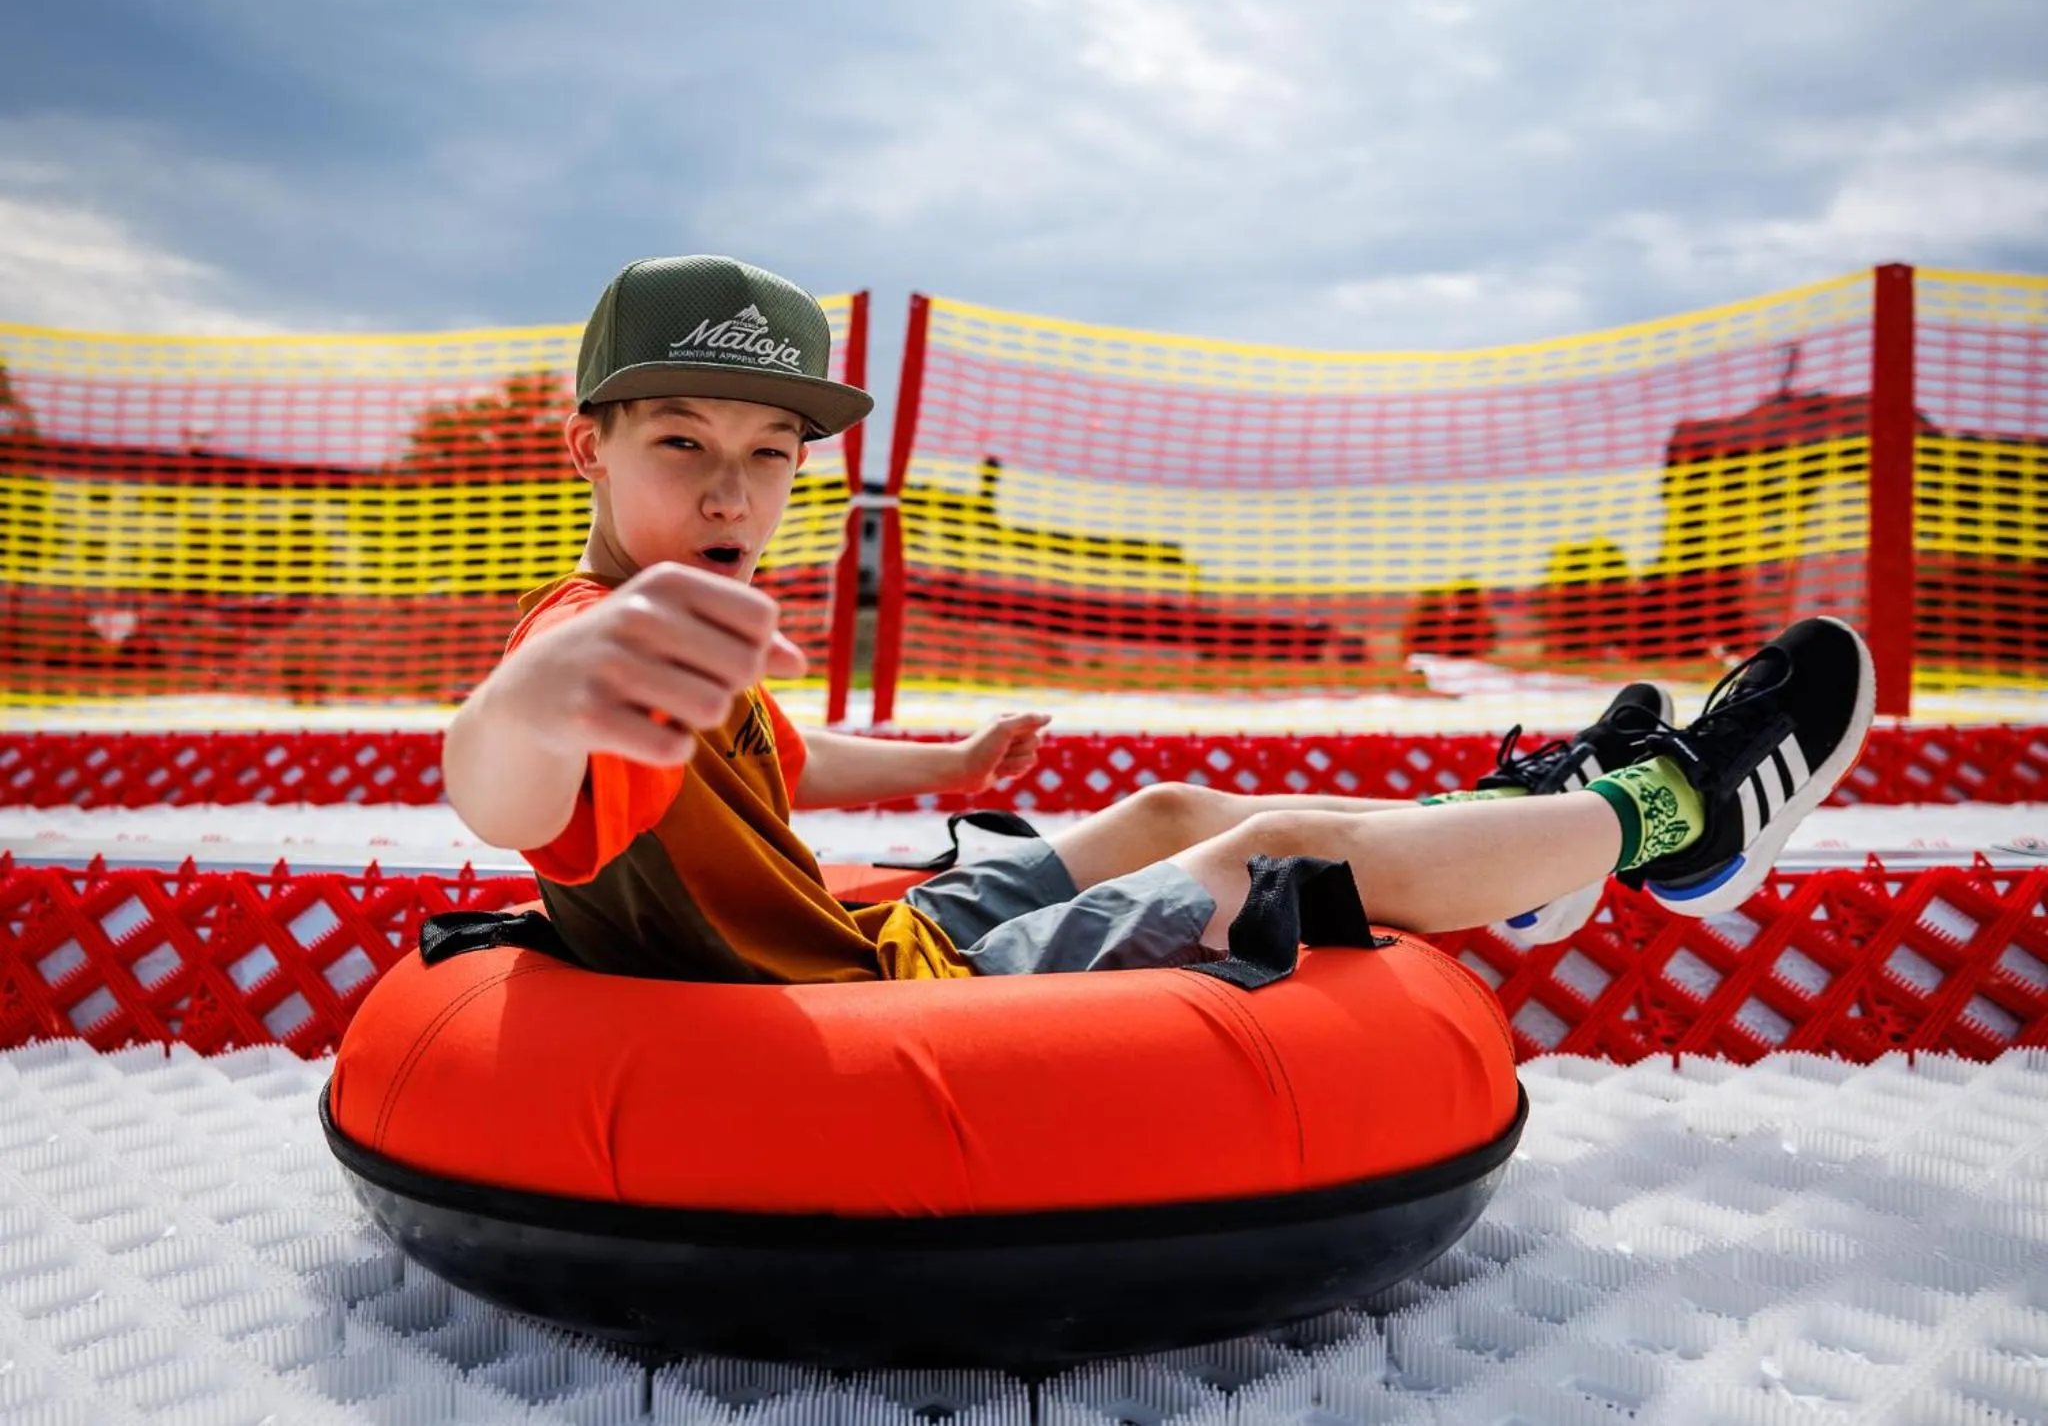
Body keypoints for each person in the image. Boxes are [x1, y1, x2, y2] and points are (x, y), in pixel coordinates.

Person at [443, 255, 1875, 983]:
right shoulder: (591, 652)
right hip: (852, 1002)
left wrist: (946, 769)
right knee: (1274, 855)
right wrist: (539, 692)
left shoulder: (694, 645)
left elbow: (777, 765)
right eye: (681, 444)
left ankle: (1507, 835)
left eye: (769, 450)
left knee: (1168, 805)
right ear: (589, 448)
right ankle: (1678, 813)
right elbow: (505, 792)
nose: (732, 490)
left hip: (879, 936)